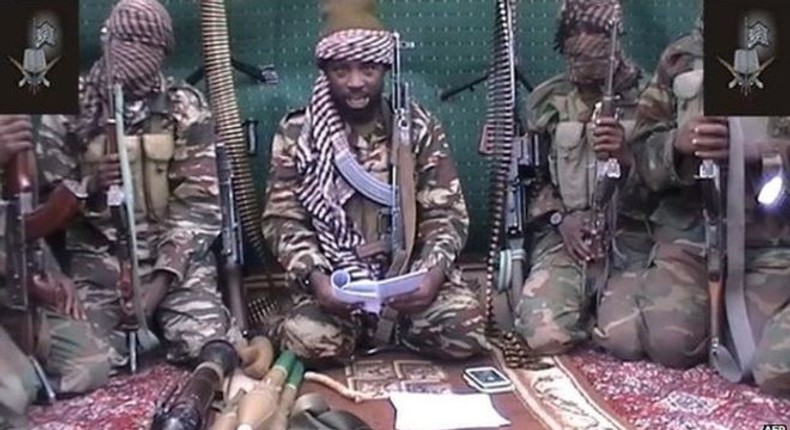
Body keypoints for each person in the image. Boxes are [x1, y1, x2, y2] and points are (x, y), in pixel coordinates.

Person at [259, 0, 487, 367]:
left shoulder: (416, 126)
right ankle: (317, 326)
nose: (355, 82)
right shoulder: (299, 134)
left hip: (408, 285)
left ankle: (394, 329)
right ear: (325, 72)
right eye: (341, 70)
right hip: (335, 286)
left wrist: (431, 273)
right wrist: (317, 277)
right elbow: (282, 221)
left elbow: (447, 215)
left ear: (384, 67)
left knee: (466, 330)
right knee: (310, 341)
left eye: (367, 69)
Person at [35, 0, 241, 370]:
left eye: (143, 45)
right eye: (121, 40)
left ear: (162, 52)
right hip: (101, 268)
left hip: (177, 266)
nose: (129, 54)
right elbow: (43, 206)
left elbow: (200, 207)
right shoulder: (70, 107)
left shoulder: (185, 108)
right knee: (85, 364)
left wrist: (158, 285)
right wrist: (90, 185)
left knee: (210, 346)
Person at [595, 15, 790, 397]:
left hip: (771, 242)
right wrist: (678, 146)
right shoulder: (680, 57)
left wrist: (753, 153)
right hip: (692, 236)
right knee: (670, 344)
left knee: (766, 368)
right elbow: (640, 153)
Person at [513, 0, 654, 355]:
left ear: (616, 42)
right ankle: (579, 305)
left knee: (628, 342)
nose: (581, 59)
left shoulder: (653, 99)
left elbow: (671, 185)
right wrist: (561, 218)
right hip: (567, 239)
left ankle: (606, 309)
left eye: (594, 48)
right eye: (573, 50)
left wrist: (626, 157)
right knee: (544, 337)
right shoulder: (547, 102)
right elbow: (532, 180)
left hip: (632, 238)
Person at [0, 115, 109, 429]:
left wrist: (49, 269)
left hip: (16, 269)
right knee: (14, 392)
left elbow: (26, 207)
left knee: (92, 367)